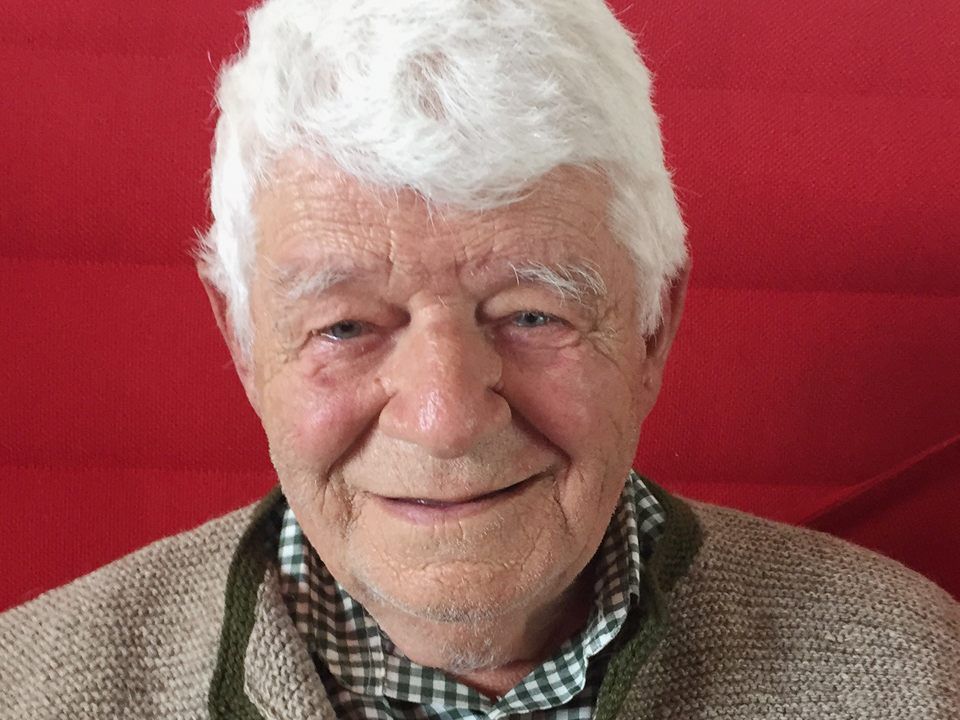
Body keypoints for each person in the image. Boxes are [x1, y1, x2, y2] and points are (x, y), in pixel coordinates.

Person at [1, 0, 957, 717]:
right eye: (346, 327)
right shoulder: (31, 688)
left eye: (532, 314)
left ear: (651, 327)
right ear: (247, 347)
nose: (445, 418)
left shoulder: (913, 678)